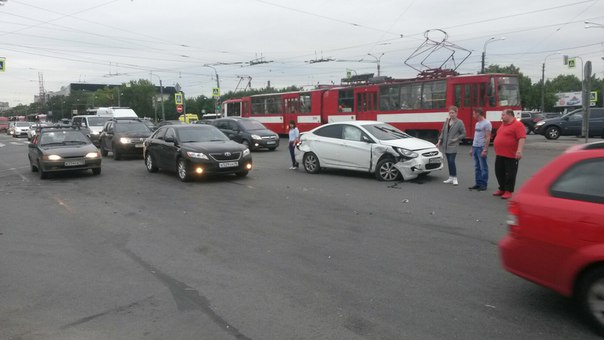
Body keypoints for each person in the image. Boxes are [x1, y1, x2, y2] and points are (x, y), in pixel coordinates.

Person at [493, 109, 526, 199]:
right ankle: (502, 188)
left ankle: (508, 190)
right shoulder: (503, 124)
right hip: (500, 153)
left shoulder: (518, 125)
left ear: (510, 115)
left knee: (510, 174)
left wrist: (519, 151)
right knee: (499, 172)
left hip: (511, 155)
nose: (501, 116)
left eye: (503, 115)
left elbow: (521, 138)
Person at [436, 105, 466, 185]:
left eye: (453, 113)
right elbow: (442, 132)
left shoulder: (459, 122)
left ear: (456, 113)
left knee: (452, 161)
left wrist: (456, 139)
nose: (451, 114)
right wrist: (439, 142)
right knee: (449, 162)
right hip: (445, 145)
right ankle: (450, 177)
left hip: (453, 145)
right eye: (450, 113)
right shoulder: (446, 121)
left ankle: (455, 177)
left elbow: (463, 134)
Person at [468, 108, 492, 191]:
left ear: (478, 113)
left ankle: (484, 184)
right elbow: (475, 136)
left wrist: (485, 149)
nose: (473, 115)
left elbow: (488, 137)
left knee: (483, 166)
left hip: (481, 147)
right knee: (477, 166)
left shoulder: (487, 123)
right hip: (475, 147)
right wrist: (471, 148)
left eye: (474, 113)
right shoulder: (477, 124)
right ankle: (478, 183)